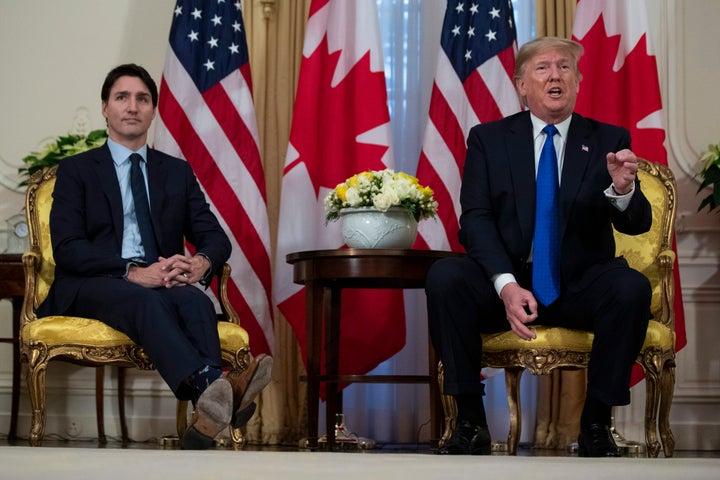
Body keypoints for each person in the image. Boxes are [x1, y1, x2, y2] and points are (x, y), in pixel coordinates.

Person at [426, 37, 652, 457]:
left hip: (580, 283)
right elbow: (475, 220)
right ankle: (470, 422)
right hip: (510, 282)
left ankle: (596, 425)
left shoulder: (607, 139)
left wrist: (623, 191)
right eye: (543, 68)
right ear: (521, 85)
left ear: (578, 82)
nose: (555, 76)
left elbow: (637, 224)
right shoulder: (488, 140)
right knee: (446, 276)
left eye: (564, 67)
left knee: (631, 288)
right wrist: (507, 287)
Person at [36, 63, 272, 450]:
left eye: (142, 98)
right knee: (141, 296)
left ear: (153, 109)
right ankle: (215, 386)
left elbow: (213, 236)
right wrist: (131, 271)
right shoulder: (77, 170)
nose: (132, 106)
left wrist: (200, 264)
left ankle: (204, 423)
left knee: (195, 301)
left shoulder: (175, 172)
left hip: (159, 283)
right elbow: (67, 249)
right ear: (105, 108)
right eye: (122, 97)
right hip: (91, 283)